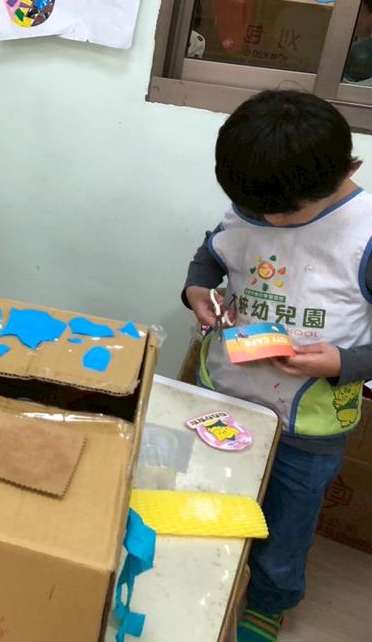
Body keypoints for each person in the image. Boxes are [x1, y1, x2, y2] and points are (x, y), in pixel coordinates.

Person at [182, 90, 372, 642]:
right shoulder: (255, 201)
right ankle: (206, 577)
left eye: (285, 214)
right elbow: (211, 256)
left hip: (308, 425)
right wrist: (197, 290)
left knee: (286, 524)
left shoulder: (363, 235)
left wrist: (343, 361)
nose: (267, 221)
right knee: (214, 496)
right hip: (225, 394)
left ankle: (269, 601)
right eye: (254, 210)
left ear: (349, 170)